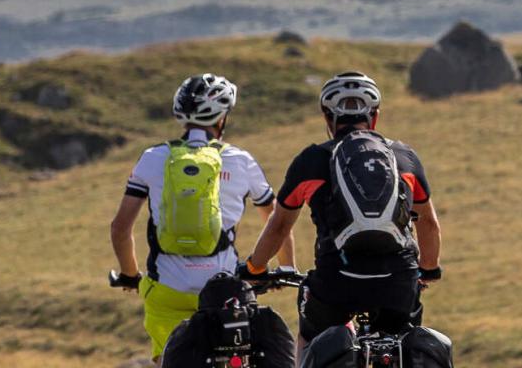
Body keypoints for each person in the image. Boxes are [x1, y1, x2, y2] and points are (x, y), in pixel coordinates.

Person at [240, 71, 445, 345]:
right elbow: (428, 223)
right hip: (398, 280)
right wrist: (428, 269)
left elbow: (279, 226)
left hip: (336, 280)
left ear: (327, 117)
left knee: (311, 337)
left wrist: (255, 268)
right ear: (375, 116)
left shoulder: (311, 160)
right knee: (404, 343)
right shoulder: (404, 158)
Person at [108, 73, 294, 361]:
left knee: (171, 359)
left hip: (168, 288)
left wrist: (130, 276)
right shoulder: (241, 160)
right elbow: (277, 222)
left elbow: (121, 228)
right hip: (225, 288)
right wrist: (284, 268)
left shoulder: (153, 157)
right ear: (222, 118)